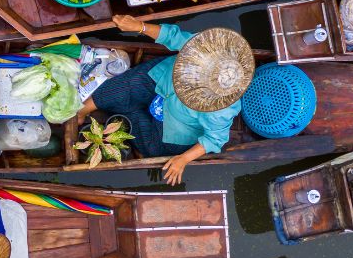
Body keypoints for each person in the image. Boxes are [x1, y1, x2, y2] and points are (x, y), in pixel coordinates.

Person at [77, 15, 254, 185]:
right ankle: (85, 108)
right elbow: (174, 37)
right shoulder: (209, 48)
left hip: (171, 126)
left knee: (151, 146)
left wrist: (184, 159)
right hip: (160, 79)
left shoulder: (221, 109)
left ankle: (124, 112)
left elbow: (214, 139)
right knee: (128, 85)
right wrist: (139, 26)